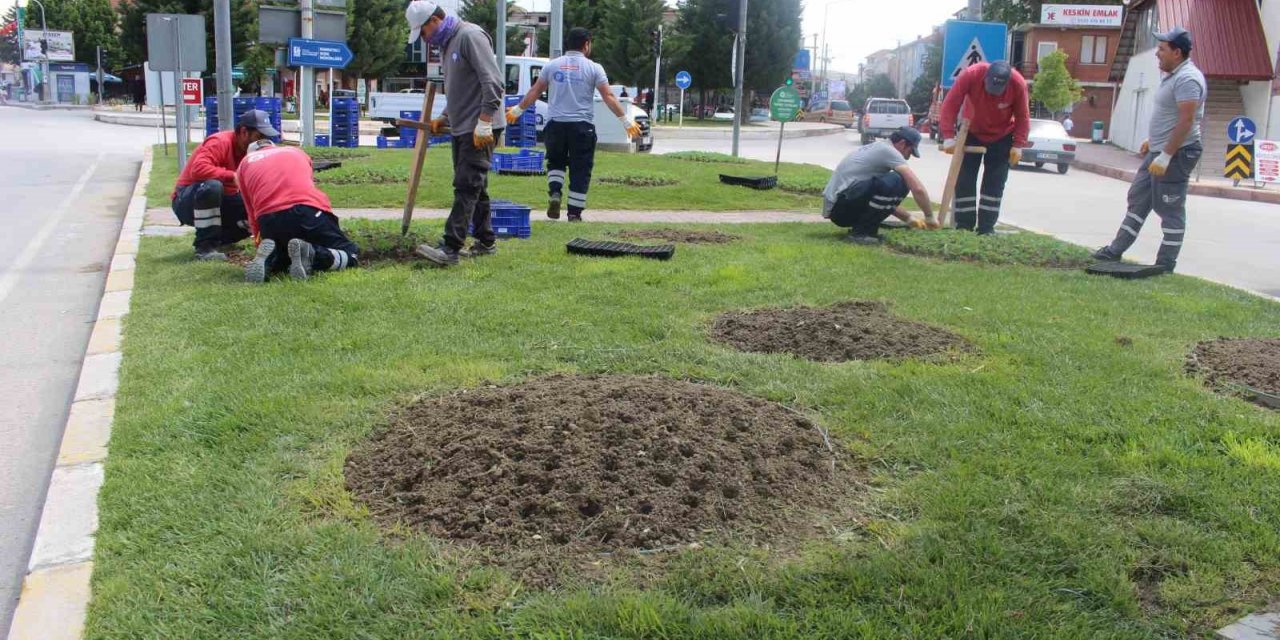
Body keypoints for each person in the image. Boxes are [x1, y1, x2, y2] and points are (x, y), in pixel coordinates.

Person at [1093, 27, 1205, 273]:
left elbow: (1186, 120)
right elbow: (1170, 115)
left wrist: (1166, 155)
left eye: (1162, 49)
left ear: (1177, 52)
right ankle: (1115, 250)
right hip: (1160, 150)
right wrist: (1153, 141)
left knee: (1170, 207)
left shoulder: (1188, 79)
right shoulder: (1173, 76)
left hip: (1178, 153)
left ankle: (1166, 263)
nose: (1157, 54)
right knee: (1139, 198)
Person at [405, 0, 505, 267]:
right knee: (476, 186)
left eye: (423, 32)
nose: (424, 39)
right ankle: (486, 241)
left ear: (434, 21)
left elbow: (493, 82)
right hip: (463, 125)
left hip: (480, 126)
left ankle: (450, 248)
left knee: (466, 184)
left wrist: (485, 120)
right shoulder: (448, 44)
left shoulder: (469, 36)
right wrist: (445, 116)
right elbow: (461, 88)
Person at [506, 27, 641, 222]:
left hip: (555, 125)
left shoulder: (552, 66)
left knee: (555, 162)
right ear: (586, 44)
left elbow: (535, 90)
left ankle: (555, 192)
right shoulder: (594, 68)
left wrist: (518, 110)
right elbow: (608, 96)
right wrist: (625, 120)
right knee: (581, 169)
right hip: (582, 127)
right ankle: (574, 214)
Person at [237, 139, 360, 282]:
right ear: (272, 146)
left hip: (268, 219)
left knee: (284, 257)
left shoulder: (244, 164)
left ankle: (270, 261)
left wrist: (259, 243)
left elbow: (251, 213)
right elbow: (306, 183)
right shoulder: (296, 151)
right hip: (307, 210)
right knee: (350, 253)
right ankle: (312, 254)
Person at [170, 109, 279, 261]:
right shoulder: (220, 142)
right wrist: (231, 176)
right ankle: (205, 248)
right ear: (244, 132)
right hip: (188, 200)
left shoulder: (253, 153)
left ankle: (222, 241)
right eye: (259, 137)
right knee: (213, 187)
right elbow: (198, 169)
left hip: (224, 200)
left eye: (265, 138)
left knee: (257, 206)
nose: (261, 142)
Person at [939, 60, 1031, 234]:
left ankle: (986, 228)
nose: (993, 94)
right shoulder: (971, 74)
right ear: (986, 78)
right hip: (970, 131)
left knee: (995, 183)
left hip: (1002, 135)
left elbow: (1023, 116)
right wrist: (948, 136)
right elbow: (951, 104)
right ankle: (964, 226)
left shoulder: (1018, 83)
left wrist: (1018, 145)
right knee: (964, 180)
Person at [823, 126, 938, 245]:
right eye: (910, 151)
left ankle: (866, 231)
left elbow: (878, 199)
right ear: (902, 143)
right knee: (900, 181)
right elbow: (917, 189)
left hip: (839, 208)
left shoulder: (879, 147)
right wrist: (929, 217)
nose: (908, 157)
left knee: (892, 183)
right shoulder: (889, 151)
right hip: (841, 210)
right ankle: (861, 233)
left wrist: (909, 219)